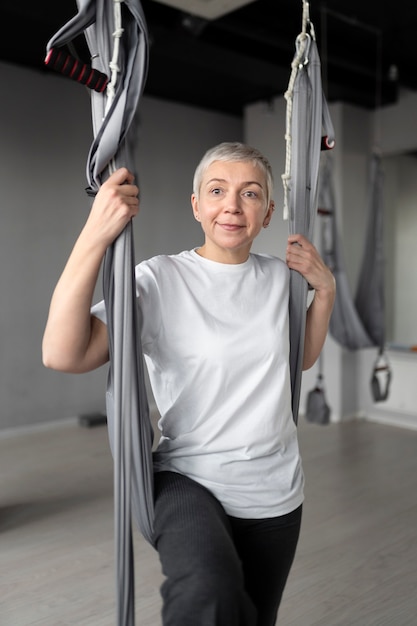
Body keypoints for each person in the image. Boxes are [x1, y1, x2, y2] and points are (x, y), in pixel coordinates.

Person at [43, 142, 335, 625]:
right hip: (187, 479)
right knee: (208, 594)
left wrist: (322, 293)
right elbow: (63, 353)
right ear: (197, 204)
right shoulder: (161, 280)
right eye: (217, 190)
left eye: (251, 194)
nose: (232, 206)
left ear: (268, 214)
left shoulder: (283, 280)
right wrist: (95, 236)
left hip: (276, 489)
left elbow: (295, 362)